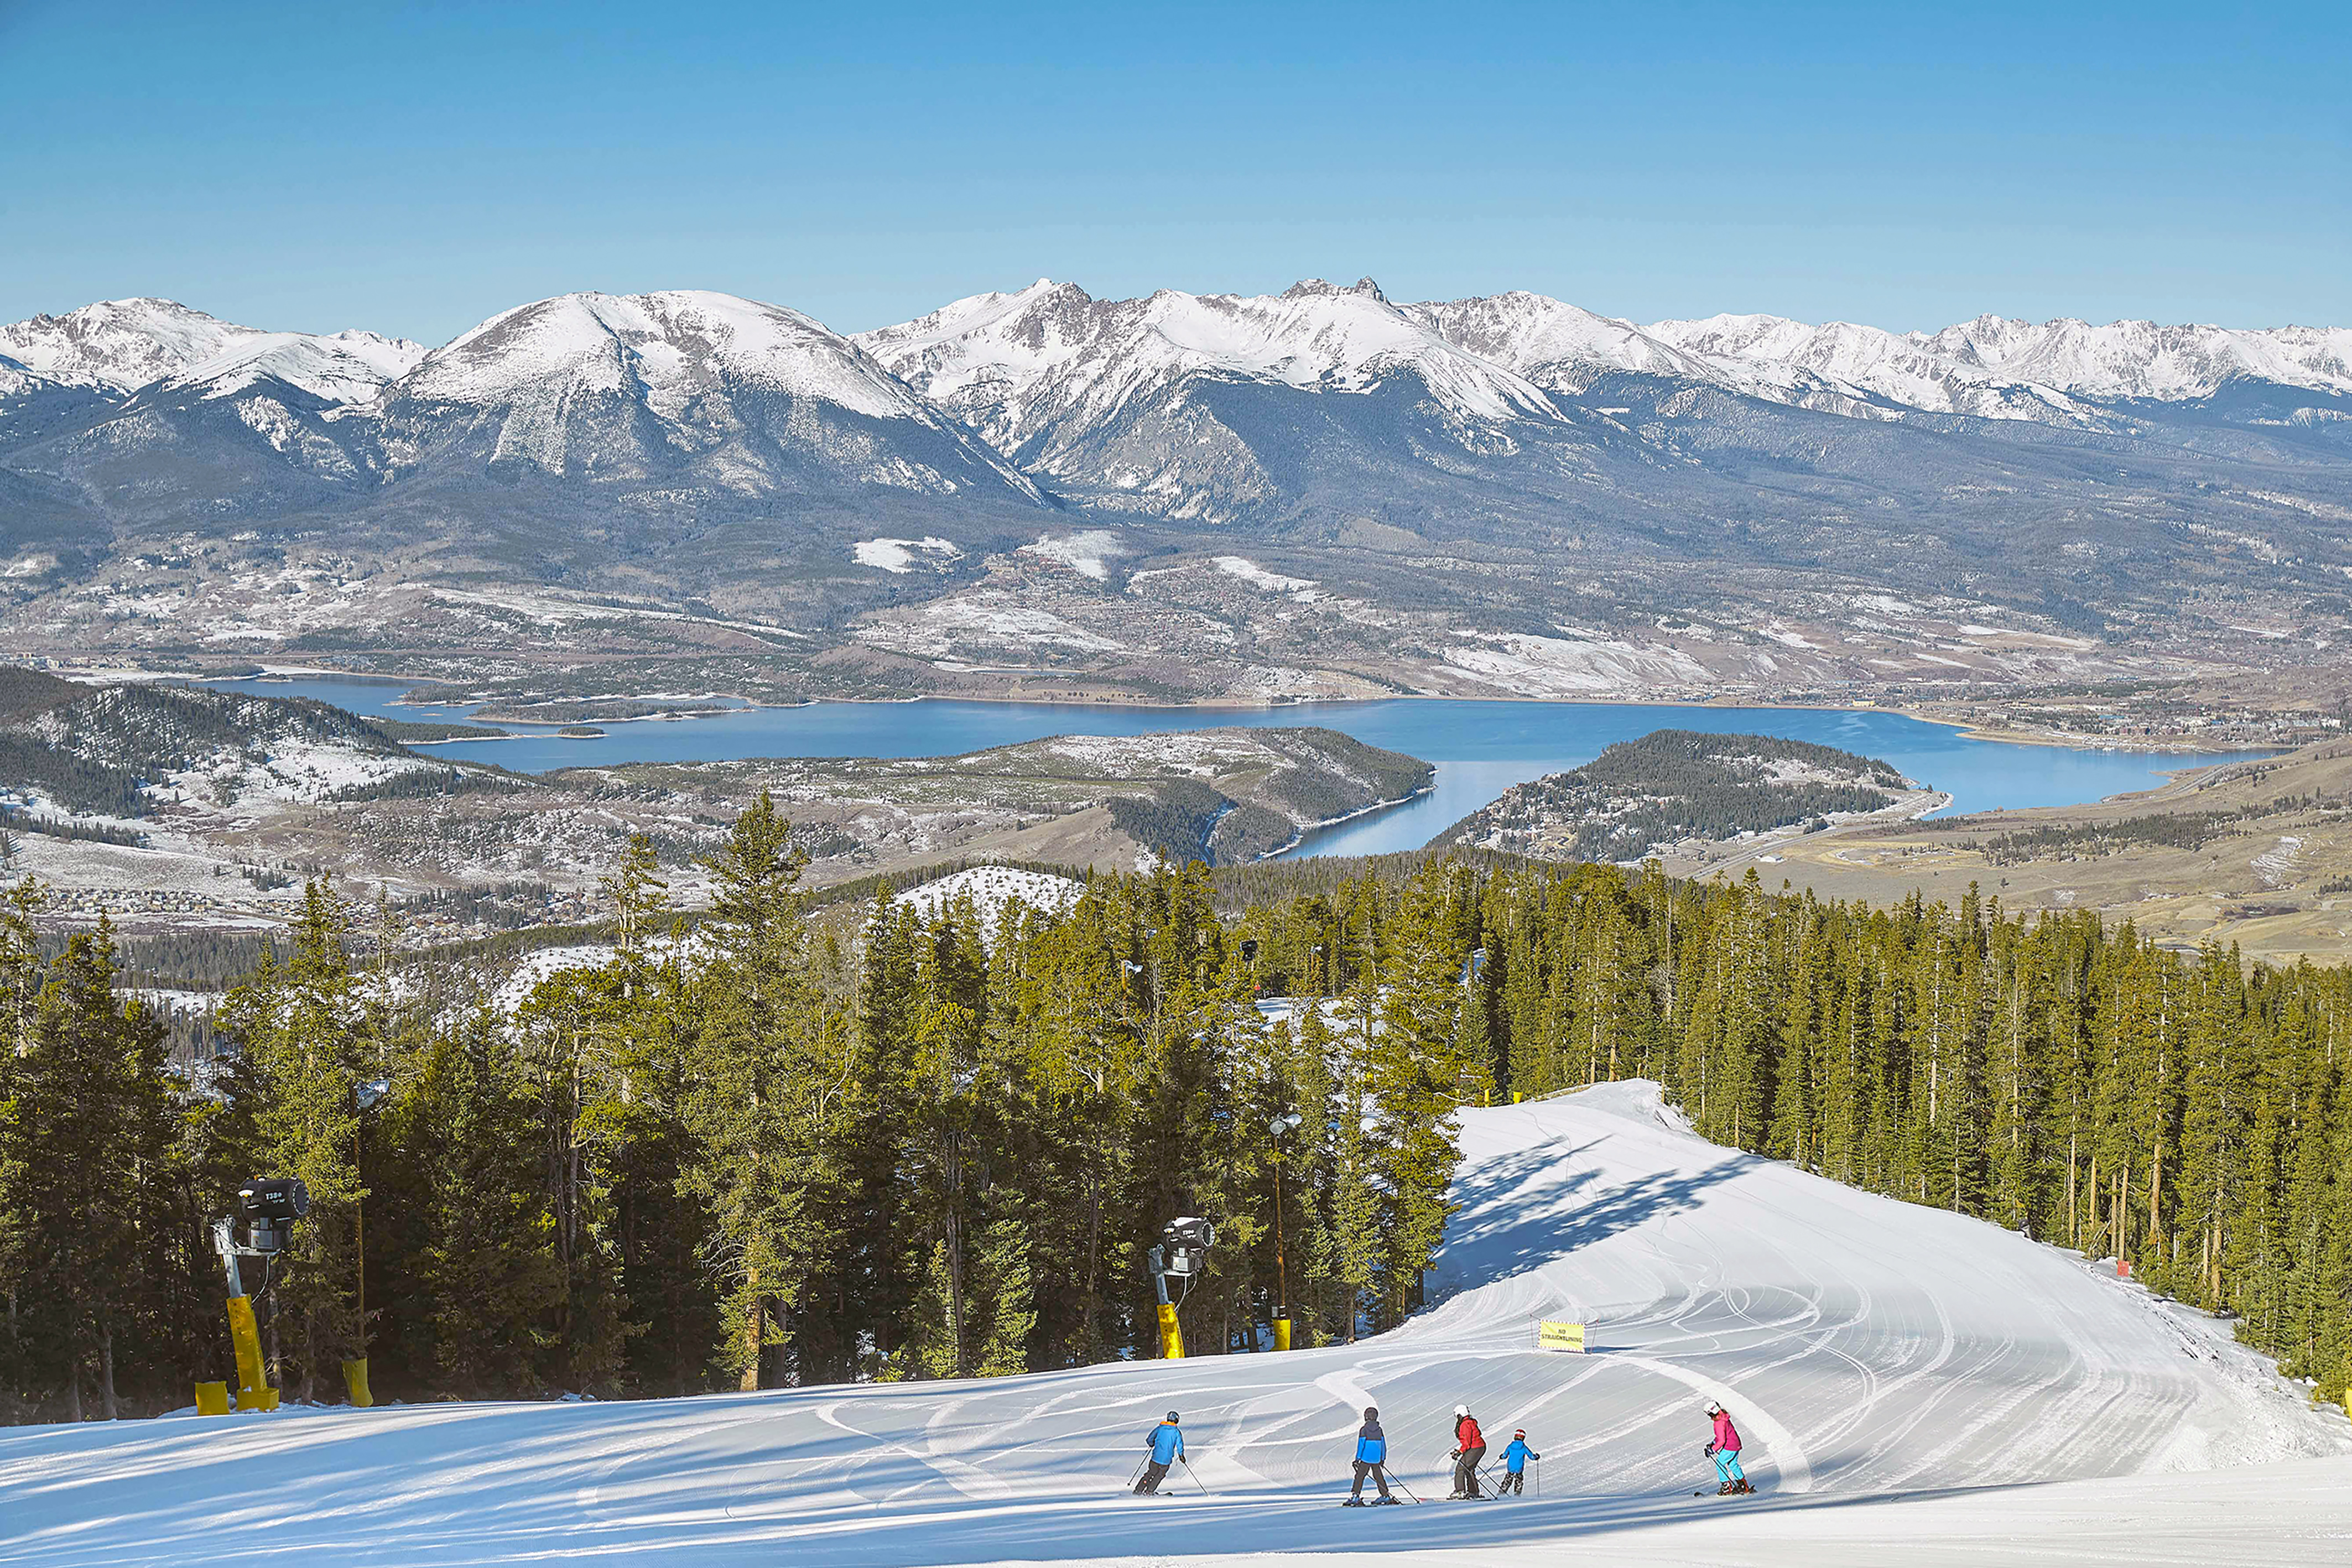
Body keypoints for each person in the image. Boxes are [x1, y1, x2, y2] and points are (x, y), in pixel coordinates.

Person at [1344, 1405, 1397, 1505]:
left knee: (1360, 1477)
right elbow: (1383, 1445)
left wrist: (1358, 1459)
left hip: (1365, 1458)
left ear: (1366, 1417)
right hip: (1377, 1459)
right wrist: (1382, 1458)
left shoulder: (1364, 1430)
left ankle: (1356, 1496)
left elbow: (1361, 1446)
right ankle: (1385, 1496)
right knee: (1379, 1477)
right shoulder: (1379, 1430)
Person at [1704, 1400, 1750, 1495]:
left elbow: (1722, 1440)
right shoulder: (1724, 1418)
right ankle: (1743, 1486)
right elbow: (1722, 1436)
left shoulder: (1718, 1423)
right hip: (1736, 1444)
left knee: (1720, 1464)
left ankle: (1727, 1487)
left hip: (1729, 1446)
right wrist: (1713, 1443)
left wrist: (1712, 1450)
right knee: (1733, 1464)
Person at [1136, 1410, 1185, 1494]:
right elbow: (1180, 1445)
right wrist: (1181, 1456)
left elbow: (1150, 1439)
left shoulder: (1159, 1429)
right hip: (1166, 1460)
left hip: (1155, 1457)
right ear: (1176, 1420)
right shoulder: (1176, 1432)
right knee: (1160, 1475)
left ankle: (1139, 1490)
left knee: (1151, 1473)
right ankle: (1149, 1491)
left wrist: (1152, 1444)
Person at [1448, 1404, 1487, 1498]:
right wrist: (1460, 1451)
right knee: (1469, 1469)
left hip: (1475, 1448)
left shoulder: (1465, 1425)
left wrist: (1459, 1452)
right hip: (1479, 1447)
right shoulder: (1470, 1422)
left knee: (1460, 1468)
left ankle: (1460, 1491)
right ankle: (1473, 1492)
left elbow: (1467, 1443)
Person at [1498, 1428, 1540, 1496]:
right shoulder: (1524, 1448)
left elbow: (1505, 1456)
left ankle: (1501, 1494)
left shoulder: (1510, 1447)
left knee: (1508, 1480)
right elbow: (1532, 1457)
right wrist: (1536, 1457)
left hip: (1510, 1467)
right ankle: (1517, 1495)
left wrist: (1501, 1457)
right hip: (1519, 1468)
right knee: (1519, 1481)